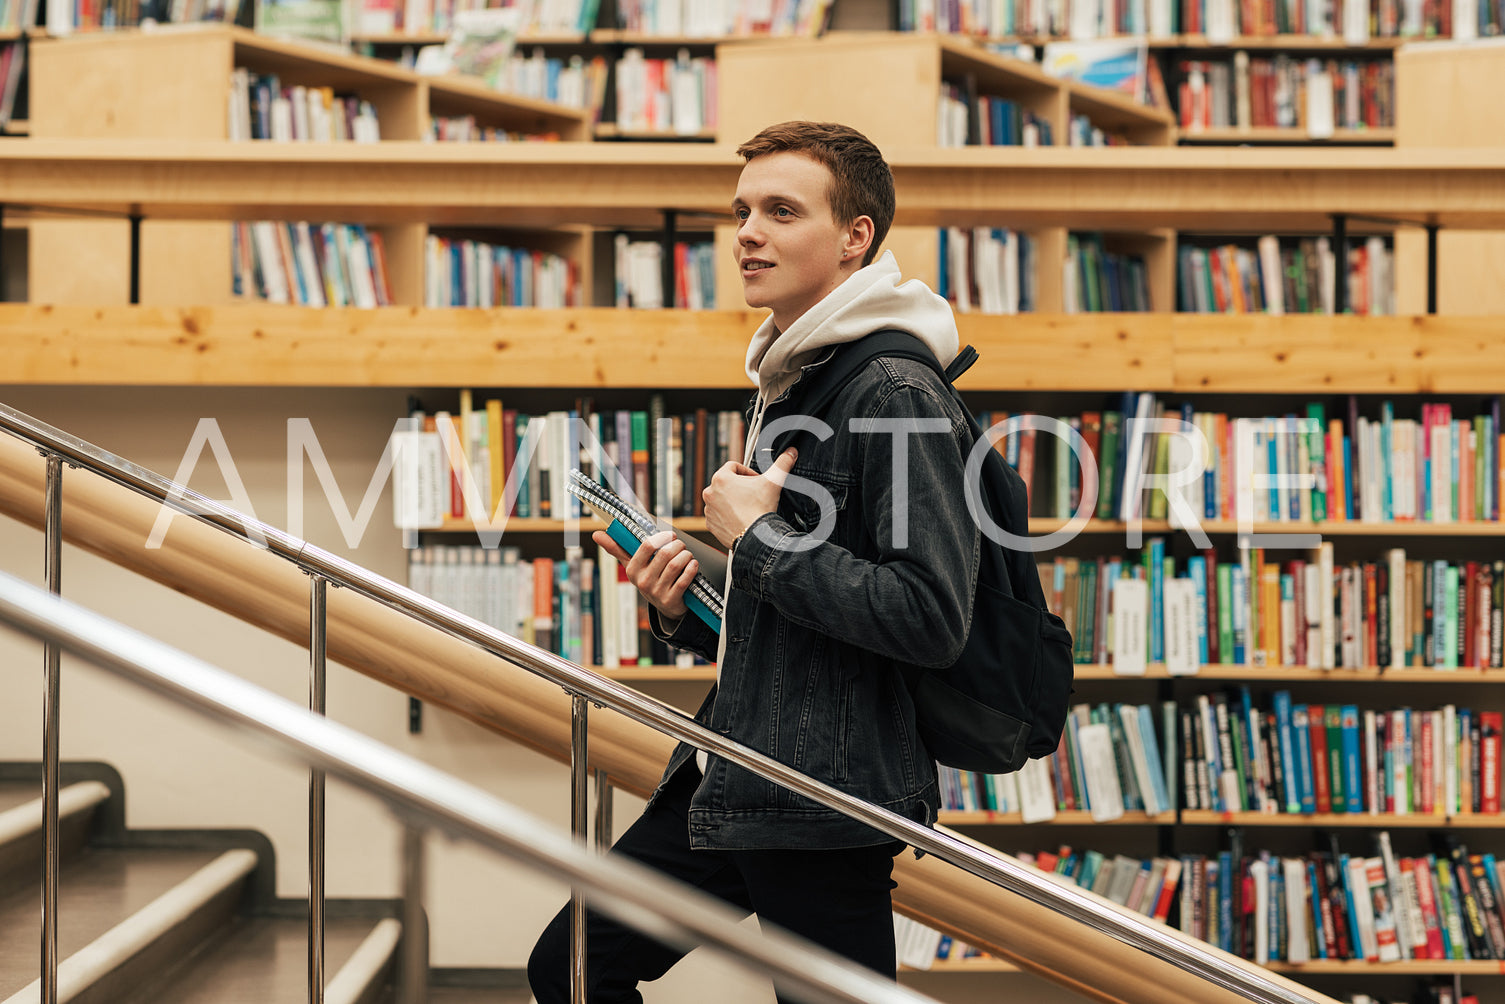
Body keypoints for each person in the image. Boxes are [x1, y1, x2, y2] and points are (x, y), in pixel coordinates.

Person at [527, 120, 980, 1003]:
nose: (746, 232)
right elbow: (807, 617)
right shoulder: (798, 376)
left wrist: (758, 541)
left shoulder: (892, 390)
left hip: (819, 794)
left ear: (856, 238)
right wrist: (685, 599)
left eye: (780, 210)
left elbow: (928, 616)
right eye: (741, 211)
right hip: (742, 764)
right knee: (575, 967)